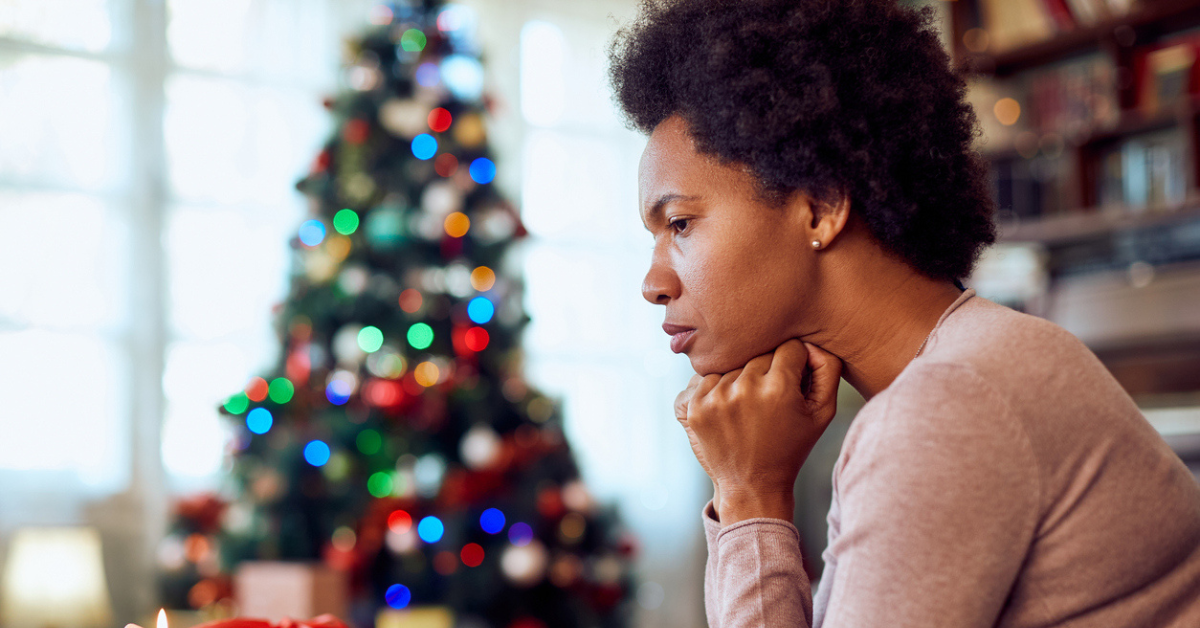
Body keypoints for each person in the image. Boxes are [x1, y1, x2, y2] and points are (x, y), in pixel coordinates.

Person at [608, 0, 1200, 626]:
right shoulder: (981, 362)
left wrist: (749, 494)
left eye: (680, 223)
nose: (653, 283)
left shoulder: (947, 408)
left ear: (820, 207)